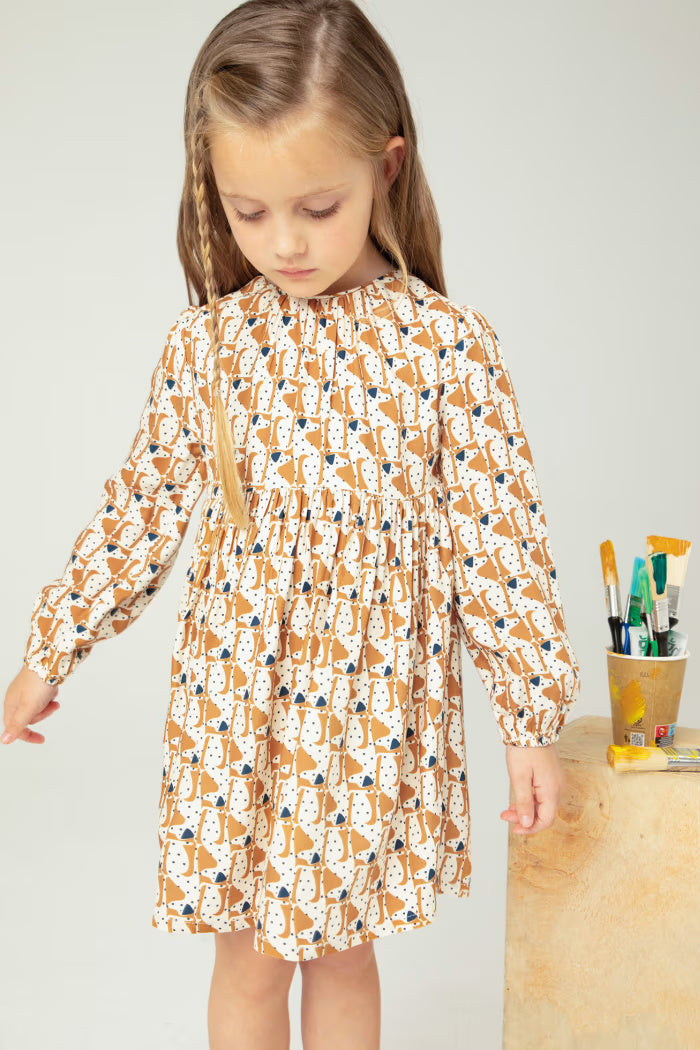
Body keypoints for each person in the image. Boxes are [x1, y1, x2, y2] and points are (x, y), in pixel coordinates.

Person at [2, 1, 581, 1047]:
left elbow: (500, 547)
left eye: (317, 206)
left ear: (387, 168)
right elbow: (142, 508)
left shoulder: (445, 350)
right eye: (248, 212)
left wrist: (528, 721)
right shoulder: (209, 348)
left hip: (367, 710)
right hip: (234, 705)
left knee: (345, 950)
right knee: (248, 955)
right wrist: (53, 648)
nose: (284, 243)